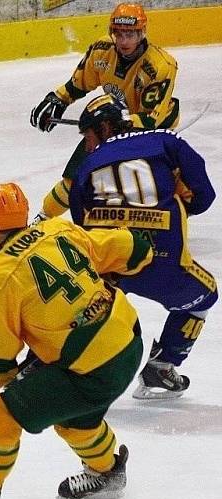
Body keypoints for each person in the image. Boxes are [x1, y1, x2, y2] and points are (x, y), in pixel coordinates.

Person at [0, 182, 153, 499]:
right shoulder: (56, 228)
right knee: (73, 419)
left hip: (92, 367)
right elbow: (133, 248)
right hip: (128, 340)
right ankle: (107, 470)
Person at [69, 94, 217, 399]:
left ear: (105, 127)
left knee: (83, 314)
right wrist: (186, 207)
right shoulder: (164, 140)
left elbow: (80, 222)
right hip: (164, 265)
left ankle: (67, 373)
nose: (87, 145)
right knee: (205, 296)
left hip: (110, 268)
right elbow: (204, 191)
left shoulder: (86, 167)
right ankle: (162, 368)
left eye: (88, 135)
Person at [29, 3, 179, 222]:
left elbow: (151, 119)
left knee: (148, 183)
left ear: (142, 33)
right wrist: (58, 99)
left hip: (149, 129)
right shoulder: (102, 49)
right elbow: (79, 83)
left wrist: (117, 121)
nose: (124, 41)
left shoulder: (160, 66)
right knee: (75, 177)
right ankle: (41, 221)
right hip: (109, 125)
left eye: (131, 34)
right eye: (119, 34)